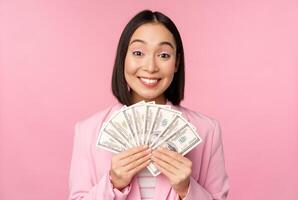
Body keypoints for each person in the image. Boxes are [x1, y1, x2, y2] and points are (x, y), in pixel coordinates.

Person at [68, 10, 229, 200]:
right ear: (123, 58)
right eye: (138, 53)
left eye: (163, 55)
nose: (150, 67)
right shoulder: (88, 131)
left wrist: (187, 189)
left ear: (176, 63)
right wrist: (113, 183)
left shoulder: (207, 131)